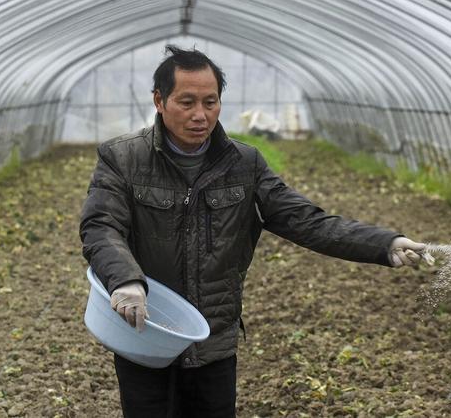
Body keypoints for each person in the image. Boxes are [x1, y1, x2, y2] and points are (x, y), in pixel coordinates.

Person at [79, 45, 425, 418]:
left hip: (213, 340)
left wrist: (384, 243)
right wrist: (126, 281)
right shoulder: (123, 159)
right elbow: (101, 225)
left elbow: (306, 221)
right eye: (187, 102)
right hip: (143, 331)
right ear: (159, 101)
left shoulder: (243, 165)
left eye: (210, 102)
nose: (200, 115)